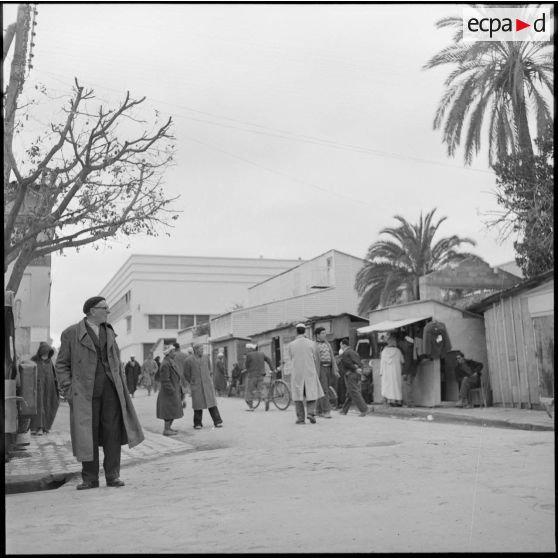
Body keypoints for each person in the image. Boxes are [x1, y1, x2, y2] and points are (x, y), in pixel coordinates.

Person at [55, 296, 144, 490]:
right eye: (105, 308)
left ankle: (113, 476)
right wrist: (69, 390)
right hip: (84, 394)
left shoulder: (109, 331)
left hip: (111, 391)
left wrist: (121, 384)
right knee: (89, 434)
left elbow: (115, 360)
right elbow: (61, 364)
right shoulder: (71, 333)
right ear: (92, 311)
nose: (108, 311)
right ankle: (90, 479)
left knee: (112, 433)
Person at [287, 323, 323, 424]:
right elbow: (315, 358)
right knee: (311, 392)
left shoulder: (291, 345)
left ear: (296, 331)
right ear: (305, 331)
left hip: (297, 372)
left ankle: (300, 418)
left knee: (298, 395)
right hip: (309, 371)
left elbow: (291, 357)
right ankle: (311, 413)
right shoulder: (312, 343)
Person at [183, 343, 223, 429]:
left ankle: (217, 421)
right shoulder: (188, 360)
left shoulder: (206, 358)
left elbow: (210, 370)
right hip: (196, 385)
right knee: (198, 405)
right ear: (196, 350)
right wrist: (192, 380)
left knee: (212, 403)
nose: (202, 350)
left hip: (207, 384)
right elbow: (186, 374)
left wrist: (208, 379)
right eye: (200, 349)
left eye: (202, 349)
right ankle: (197, 423)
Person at [30, 342, 60, 435]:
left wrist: (57, 387)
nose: (46, 355)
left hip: (48, 389)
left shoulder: (49, 362)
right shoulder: (34, 360)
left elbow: (54, 376)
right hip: (36, 389)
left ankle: (45, 427)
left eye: (48, 354)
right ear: (40, 352)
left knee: (48, 406)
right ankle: (36, 427)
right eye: (44, 353)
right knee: (38, 407)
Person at [338, 338, 371, 416]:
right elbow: (359, 363)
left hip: (350, 374)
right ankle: (344, 410)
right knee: (350, 392)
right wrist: (358, 369)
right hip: (357, 374)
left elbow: (347, 363)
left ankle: (364, 409)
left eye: (341, 345)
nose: (341, 347)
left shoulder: (345, 353)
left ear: (344, 345)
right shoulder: (354, 352)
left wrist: (354, 369)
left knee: (354, 391)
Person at [156, 346, 184, 435]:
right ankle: (166, 429)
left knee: (172, 410)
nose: (175, 353)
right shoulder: (165, 364)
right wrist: (172, 391)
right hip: (168, 393)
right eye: (173, 351)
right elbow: (165, 380)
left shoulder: (170, 361)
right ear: (169, 353)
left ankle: (169, 428)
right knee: (168, 410)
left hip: (173, 390)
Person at [314, 327, 339, 419]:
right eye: (323, 333)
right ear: (317, 335)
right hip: (320, 369)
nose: (325, 335)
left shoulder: (327, 344)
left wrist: (335, 369)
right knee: (324, 390)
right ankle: (326, 411)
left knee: (325, 389)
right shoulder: (314, 345)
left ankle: (318, 410)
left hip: (329, 368)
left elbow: (332, 357)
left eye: (325, 333)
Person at [244, 343, 275, 411]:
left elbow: (246, 365)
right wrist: (272, 369)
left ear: (252, 348)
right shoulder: (262, 354)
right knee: (261, 389)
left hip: (252, 375)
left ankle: (251, 406)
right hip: (261, 374)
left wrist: (247, 369)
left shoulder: (249, 355)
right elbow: (268, 360)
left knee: (249, 390)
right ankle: (266, 399)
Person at [380, 333, 404, 406]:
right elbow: (402, 361)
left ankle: (390, 400)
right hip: (396, 372)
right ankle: (398, 401)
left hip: (386, 373)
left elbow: (381, 363)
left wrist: (381, 372)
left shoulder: (384, 352)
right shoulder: (398, 351)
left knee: (388, 386)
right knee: (396, 385)